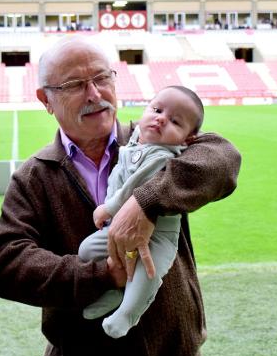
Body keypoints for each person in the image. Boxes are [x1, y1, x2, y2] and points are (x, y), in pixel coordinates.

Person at [0, 36, 241, 356]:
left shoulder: (156, 139)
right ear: (46, 99)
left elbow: (224, 158)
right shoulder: (33, 177)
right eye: (76, 85)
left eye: (102, 78)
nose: (95, 94)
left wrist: (145, 202)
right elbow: (7, 263)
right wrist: (102, 274)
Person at [78, 85, 205, 339]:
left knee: (148, 271)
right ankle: (116, 291)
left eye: (175, 122)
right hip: (115, 230)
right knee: (87, 250)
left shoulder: (163, 157)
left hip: (158, 236)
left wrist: (110, 207)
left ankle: (128, 313)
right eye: (156, 110)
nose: (160, 119)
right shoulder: (135, 142)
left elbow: (132, 187)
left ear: (186, 140)